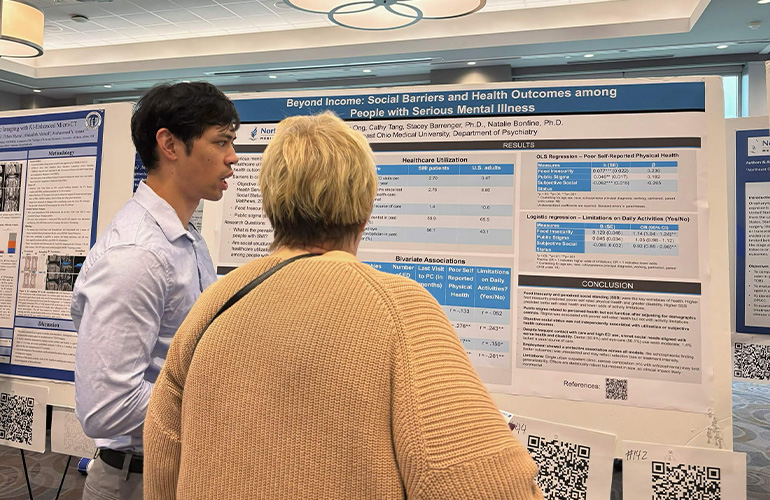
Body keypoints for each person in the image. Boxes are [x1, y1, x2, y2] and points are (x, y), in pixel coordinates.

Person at [143, 112, 542, 500]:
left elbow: (162, 460)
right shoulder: (401, 311)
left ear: (269, 204)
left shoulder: (213, 304)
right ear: (366, 208)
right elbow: (484, 483)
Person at [72, 82, 239, 500]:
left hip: (174, 470)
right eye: (220, 142)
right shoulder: (136, 254)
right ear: (169, 144)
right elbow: (106, 408)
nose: (232, 158)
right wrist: (220, 407)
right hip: (135, 481)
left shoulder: (186, 239)